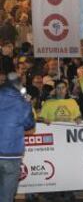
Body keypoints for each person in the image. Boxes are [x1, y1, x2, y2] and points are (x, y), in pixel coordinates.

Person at [0, 72, 35, 202]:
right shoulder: (22, 102)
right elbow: (29, 125)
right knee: (6, 196)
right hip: (11, 154)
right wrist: (28, 103)